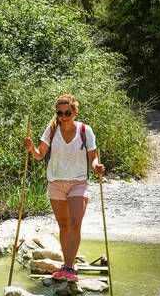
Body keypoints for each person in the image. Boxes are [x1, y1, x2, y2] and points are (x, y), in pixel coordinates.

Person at [24, 94, 105, 282]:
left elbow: (92, 157)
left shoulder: (85, 130)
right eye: (60, 113)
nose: (63, 115)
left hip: (79, 182)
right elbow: (39, 155)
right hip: (56, 182)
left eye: (67, 112)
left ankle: (70, 267)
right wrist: (31, 147)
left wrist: (96, 168)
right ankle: (66, 264)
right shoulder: (52, 130)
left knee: (76, 222)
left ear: (75, 111)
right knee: (64, 225)